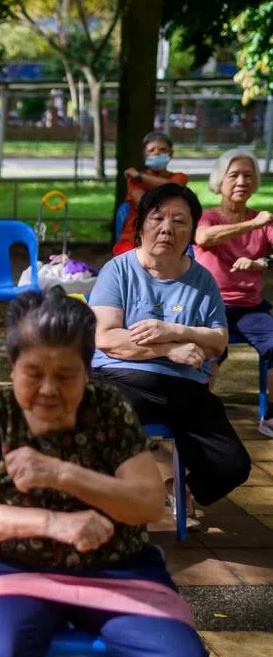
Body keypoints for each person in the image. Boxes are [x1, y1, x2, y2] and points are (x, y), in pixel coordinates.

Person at [0, 287, 221, 657]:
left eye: (66, 375)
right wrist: (53, 524)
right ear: (12, 367)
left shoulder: (110, 410)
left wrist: (62, 473)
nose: (48, 389)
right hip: (11, 567)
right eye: (33, 373)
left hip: (118, 569)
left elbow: (147, 502)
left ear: (88, 372)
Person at [90, 183, 250, 528]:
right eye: (157, 218)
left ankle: (180, 488)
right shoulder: (117, 271)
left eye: (179, 221)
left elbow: (218, 341)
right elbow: (105, 336)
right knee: (106, 431)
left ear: (192, 231)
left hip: (186, 389)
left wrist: (175, 330)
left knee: (232, 465)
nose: (167, 228)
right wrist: (168, 349)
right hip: (122, 378)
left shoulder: (202, 280)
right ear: (141, 225)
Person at [193, 148, 273, 433]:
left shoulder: (264, 222)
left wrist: (260, 261)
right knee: (210, 350)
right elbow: (202, 237)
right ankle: (200, 416)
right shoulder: (208, 217)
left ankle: (270, 417)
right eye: (234, 175)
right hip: (211, 307)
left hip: (250, 307)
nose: (241, 181)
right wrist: (252, 224)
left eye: (248, 175)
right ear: (220, 181)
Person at [113, 131, 189, 256]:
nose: (157, 153)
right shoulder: (133, 180)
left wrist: (139, 176)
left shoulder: (179, 177)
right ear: (144, 156)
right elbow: (144, 204)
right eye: (151, 150)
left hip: (171, 236)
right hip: (137, 238)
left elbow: (175, 186)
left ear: (171, 153)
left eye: (162, 149)